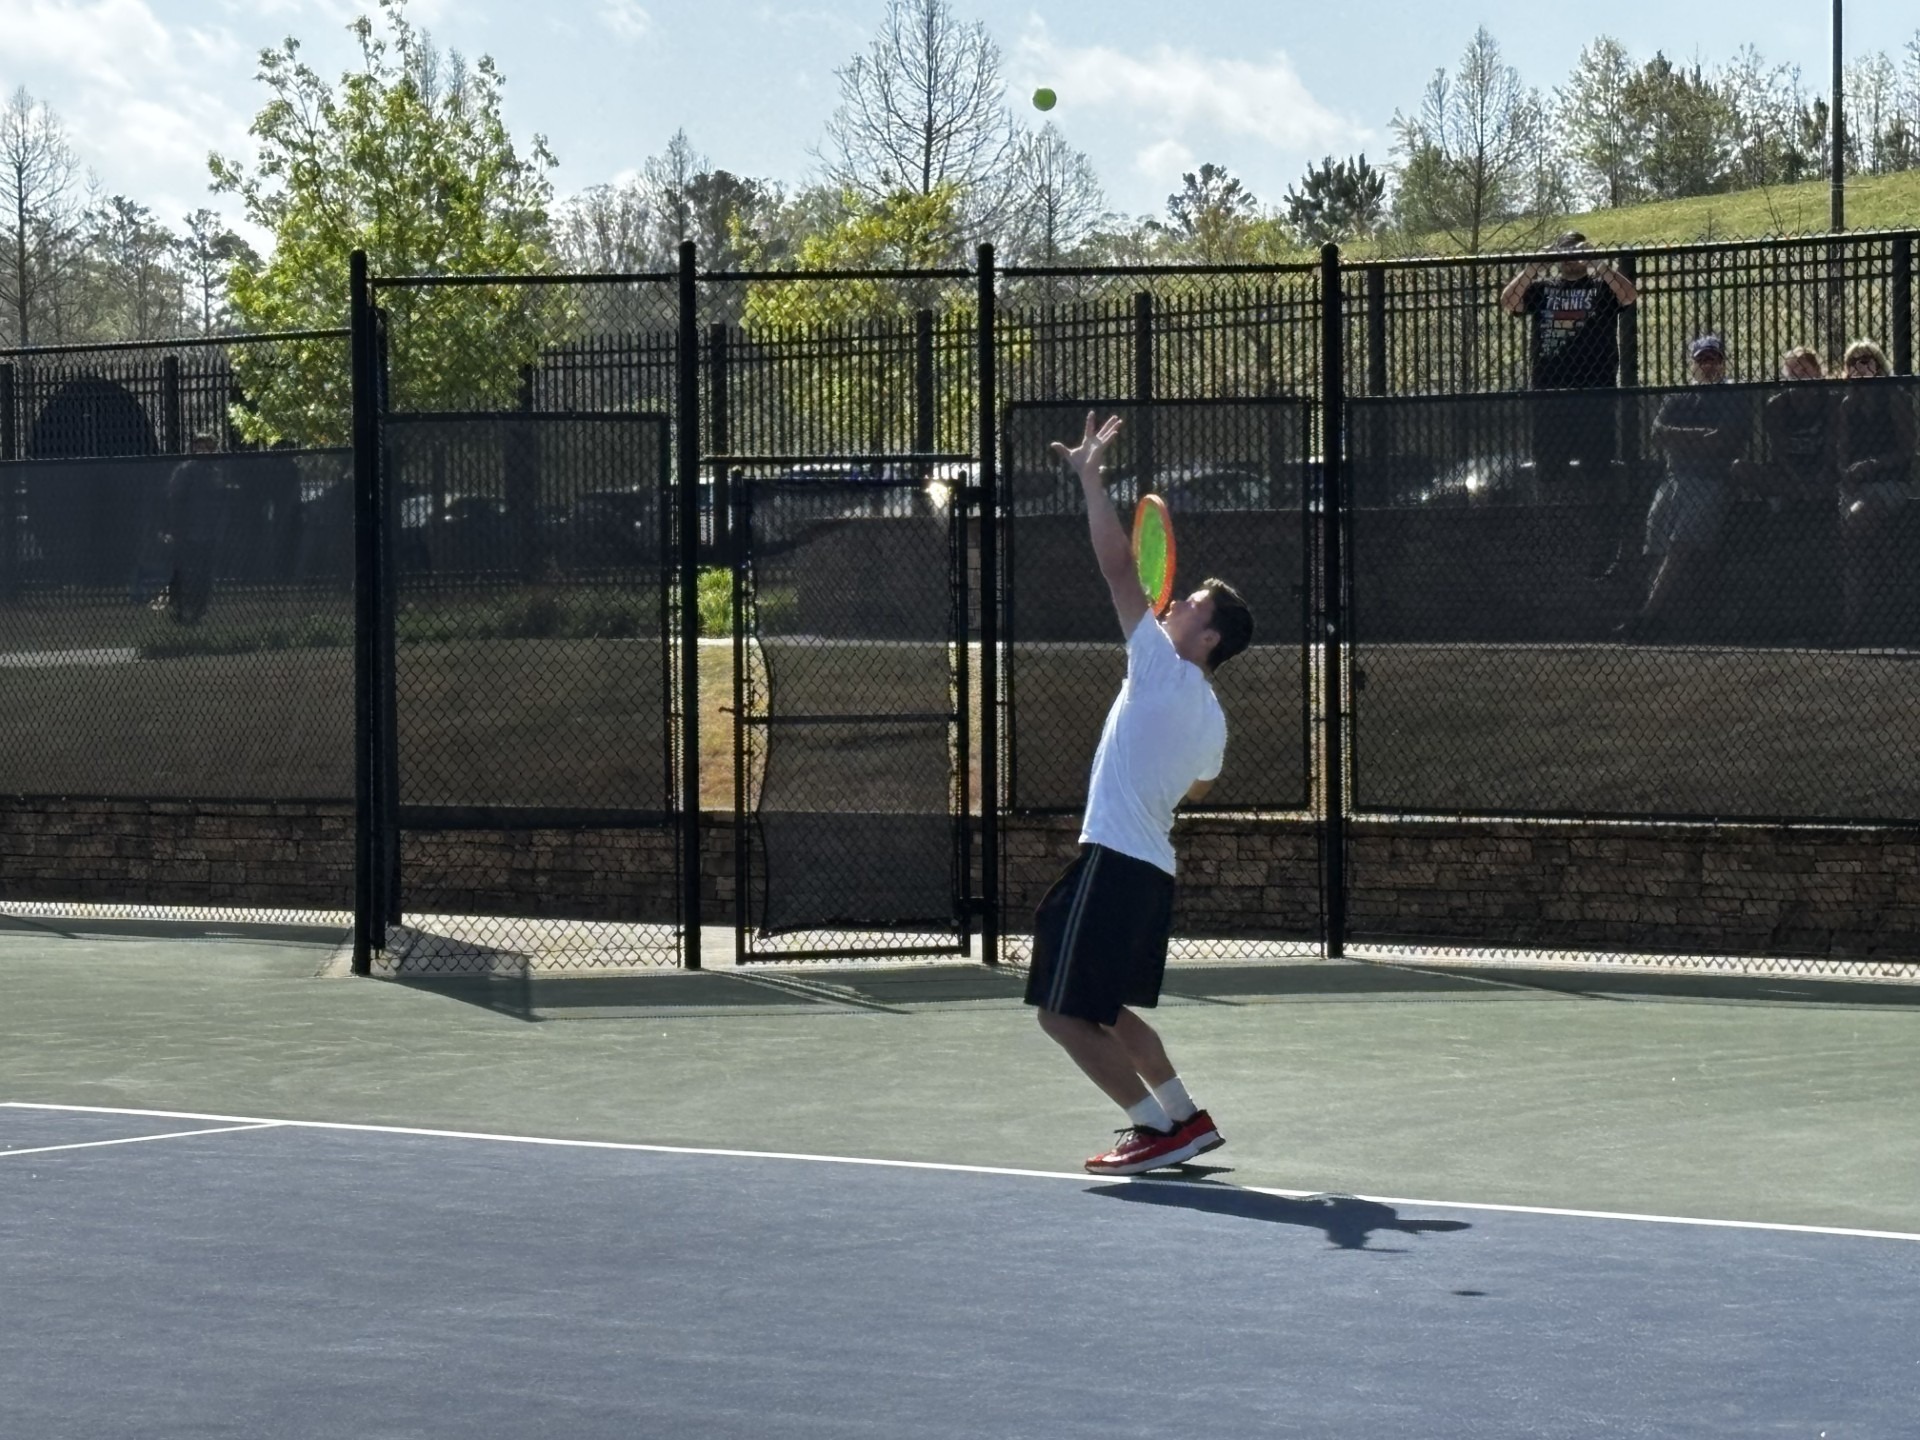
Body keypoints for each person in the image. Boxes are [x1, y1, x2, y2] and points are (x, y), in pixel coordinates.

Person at [1027, 411, 1254, 1177]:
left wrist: (1092, 479)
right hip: (1150, 870)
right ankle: (1186, 1116)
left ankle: (1154, 1129)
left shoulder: (1159, 664)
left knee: (1062, 1013)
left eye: (1191, 602)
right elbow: (1194, 786)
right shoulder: (1214, 719)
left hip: (1115, 863)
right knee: (1108, 1009)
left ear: (1209, 637)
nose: (1178, 601)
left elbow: (1118, 570)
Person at [1619, 335, 1749, 640]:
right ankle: (1661, 618)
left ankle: (1646, 618)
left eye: (1713, 359)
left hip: (1711, 480)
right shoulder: (1678, 397)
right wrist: (1699, 437)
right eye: (1702, 359)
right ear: (1693, 364)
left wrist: (1679, 438)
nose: (1708, 365)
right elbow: (1656, 434)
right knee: (1656, 547)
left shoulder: (1732, 394)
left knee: (1681, 545)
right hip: (1674, 477)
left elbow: (1724, 440)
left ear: (1722, 362)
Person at [1499, 230, 1639, 501]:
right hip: (1550, 393)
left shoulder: (1601, 287)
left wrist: (1598, 264)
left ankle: (1600, 528)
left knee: (1598, 468)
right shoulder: (1543, 289)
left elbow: (1629, 296)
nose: (1571, 256)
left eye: (1576, 250)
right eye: (1565, 251)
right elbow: (1509, 302)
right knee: (1549, 469)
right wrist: (1533, 268)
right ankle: (1552, 529)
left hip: (1596, 392)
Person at [1834, 339, 1918, 638]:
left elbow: (1908, 451)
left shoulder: (1894, 397)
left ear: (1879, 364)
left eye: (1867, 360)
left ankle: (1891, 571)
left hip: (1890, 483)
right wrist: (1847, 474)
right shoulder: (1847, 404)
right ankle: (1852, 626)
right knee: (1854, 550)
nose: (1861, 366)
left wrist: (1873, 464)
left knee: (1856, 523)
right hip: (1856, 486)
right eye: (1854, 362)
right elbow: (1842, 454)